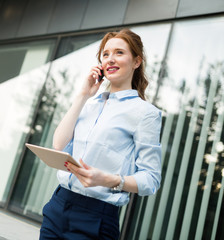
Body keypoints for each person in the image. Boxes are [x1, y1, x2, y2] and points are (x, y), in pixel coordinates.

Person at [39, 29, 162, 240]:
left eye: (119, 53)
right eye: (105, 54)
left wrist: (109, 180)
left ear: (136, 61)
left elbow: (150, 180)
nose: (110, 59)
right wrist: (82, 95)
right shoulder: (89, 103)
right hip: (58, 205)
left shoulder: (145, 113)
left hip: (96, 217)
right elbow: (59, 145)